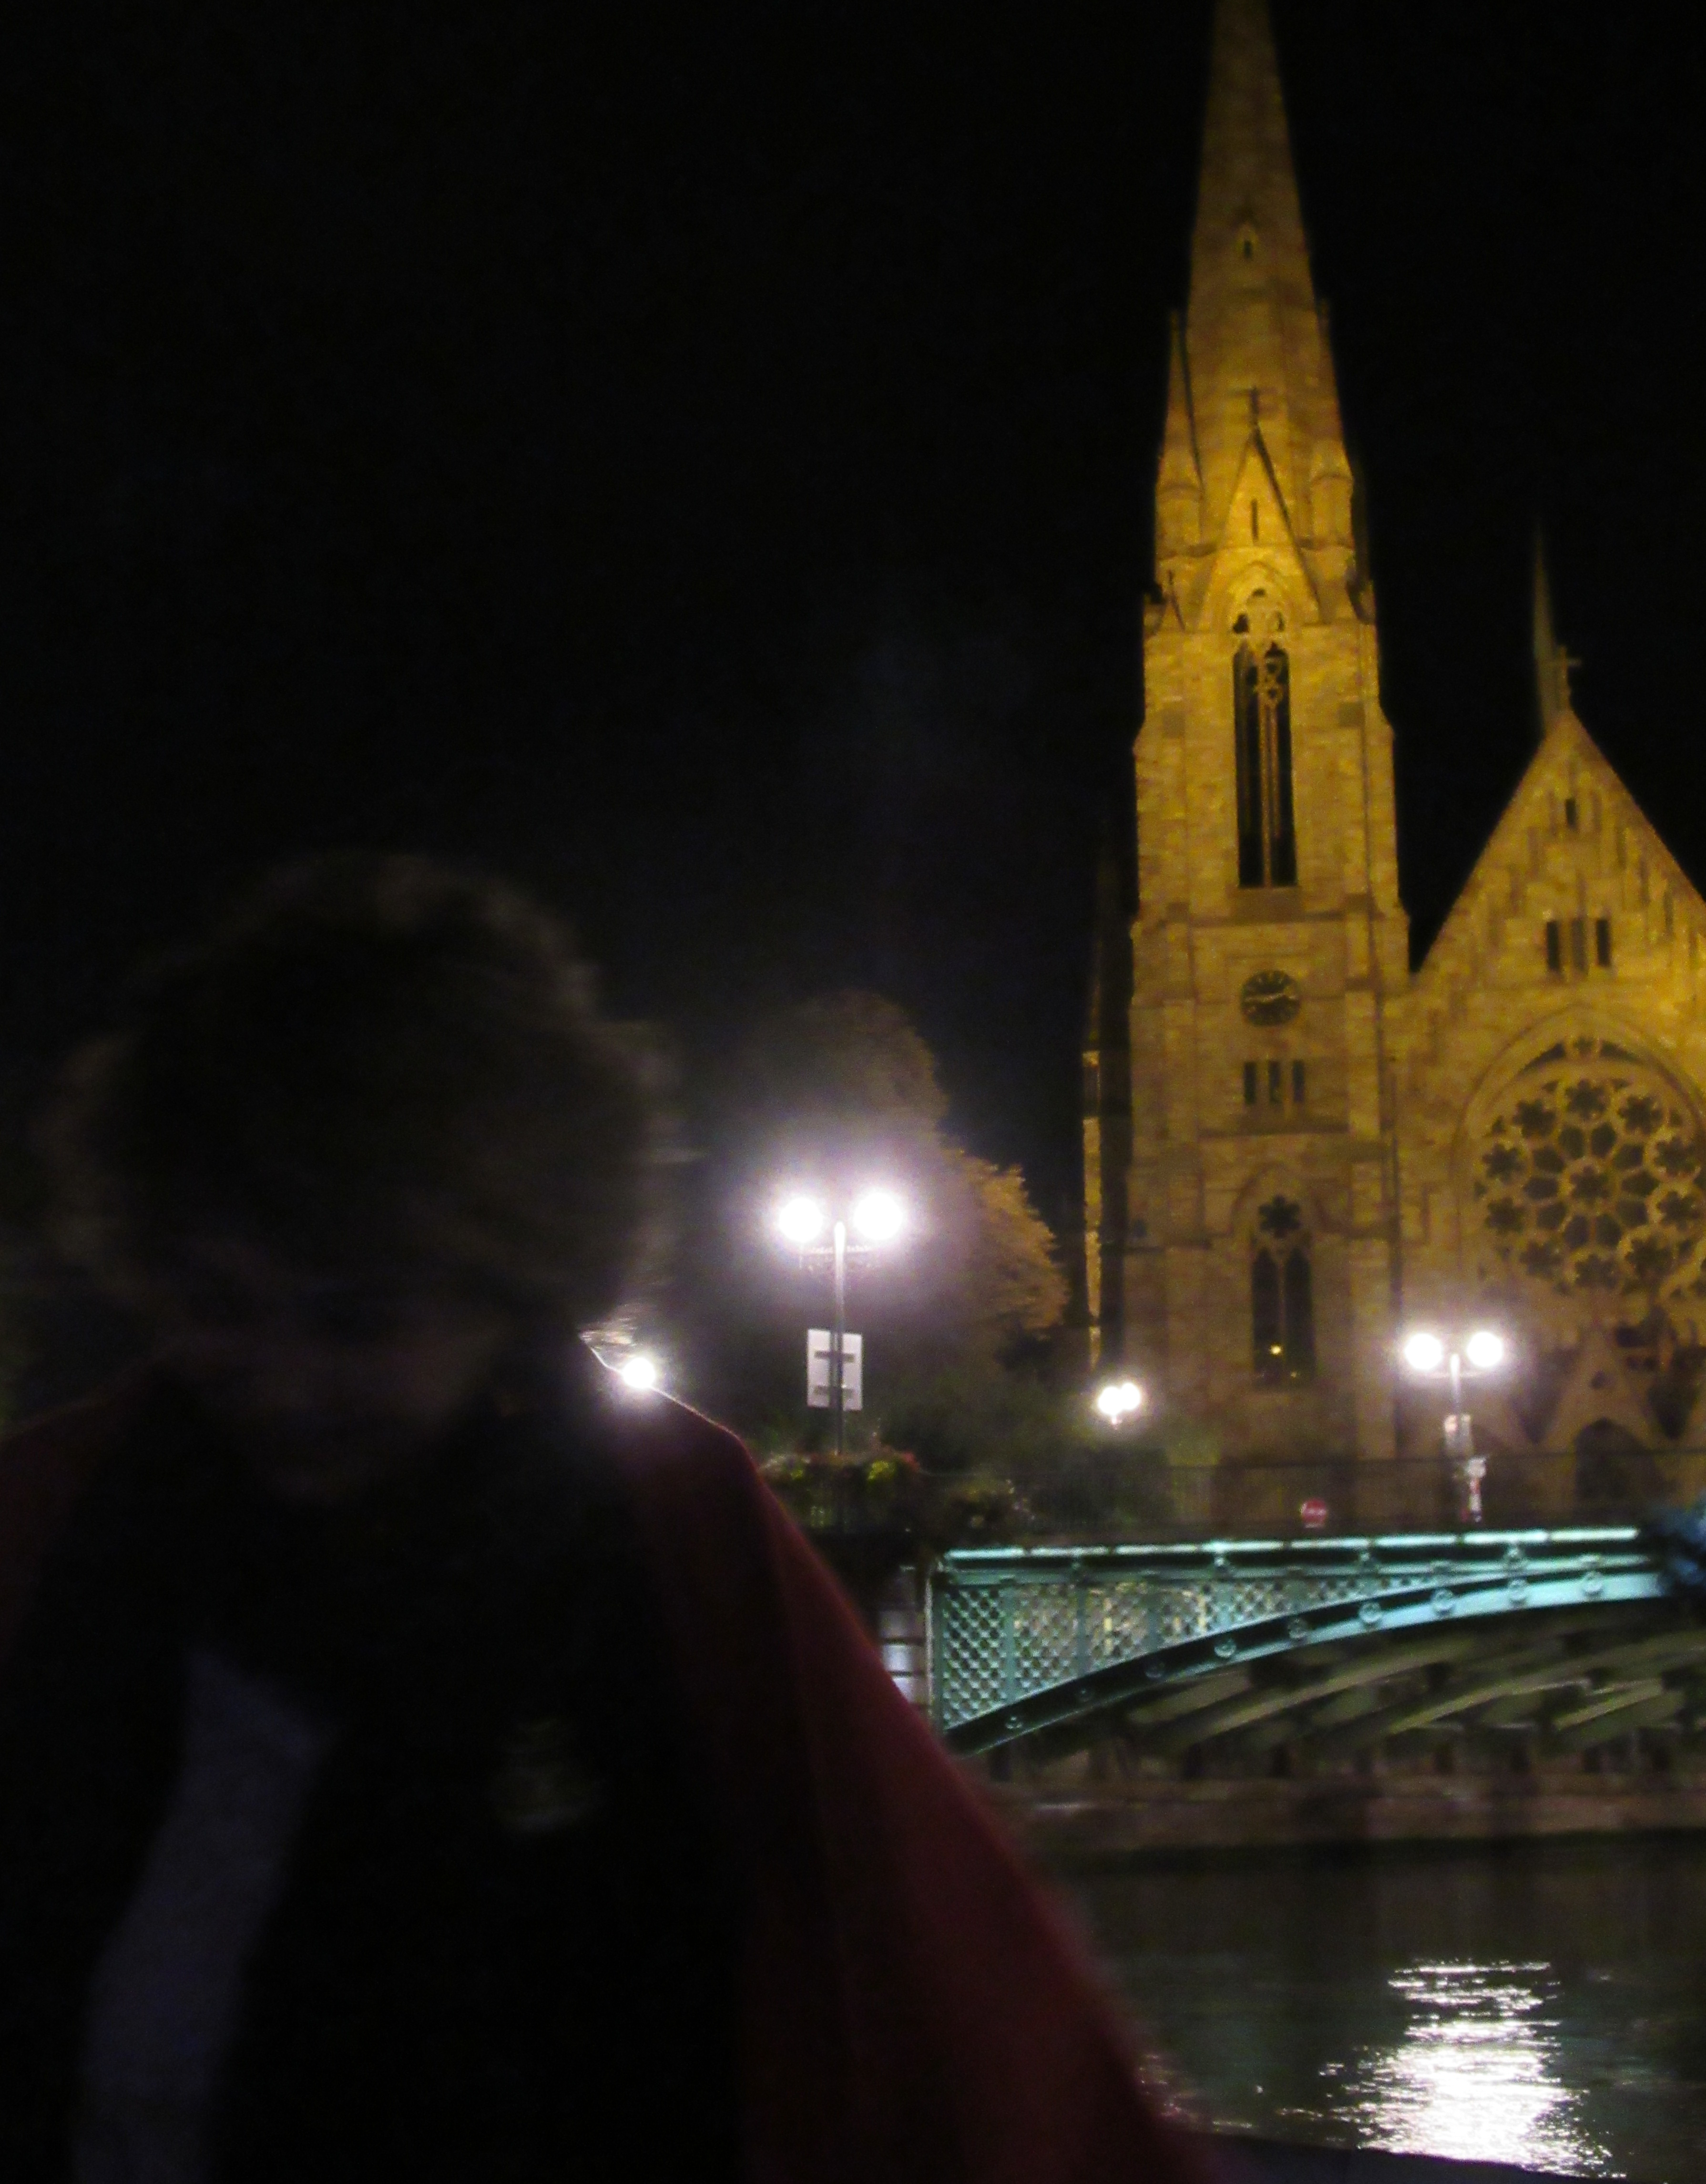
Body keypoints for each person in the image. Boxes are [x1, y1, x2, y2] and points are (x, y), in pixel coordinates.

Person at [0, 854, 1210, 2184]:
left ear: (513, 1285)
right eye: (221, 1308)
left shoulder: (679, 1537)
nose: (283, 1383)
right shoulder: (57, 1526)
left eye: (359, 1319)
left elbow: (979, 2027)